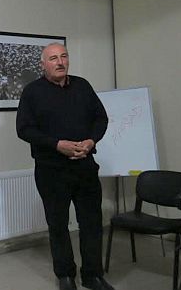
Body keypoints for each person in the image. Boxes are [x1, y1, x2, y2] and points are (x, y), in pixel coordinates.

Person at [16, 43, 114, 290]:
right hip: (51, 171)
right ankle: (66, 276)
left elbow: (101, 118)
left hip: (85, 166)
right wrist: (57, 144)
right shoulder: (32, 92)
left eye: (63, 56)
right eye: (53, 58)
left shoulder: (83, 86)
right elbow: (24, 129)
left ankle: (93, 275)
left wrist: (91, 141)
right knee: (58, 225)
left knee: (92, 223)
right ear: (43, 64)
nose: (59, 62)